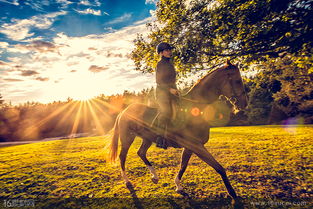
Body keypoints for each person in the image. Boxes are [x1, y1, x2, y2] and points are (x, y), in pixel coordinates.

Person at [155, 42, 179, 149]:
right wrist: (169, 89)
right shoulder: (160, 64)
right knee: (166, 111)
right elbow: (158, 81)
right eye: (167, 50)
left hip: (172, 91)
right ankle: (160, 138)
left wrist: (176, 90)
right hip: (162, 92)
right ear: (161, 53)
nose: (169, 52)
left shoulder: (170, 64)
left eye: (170, 50)